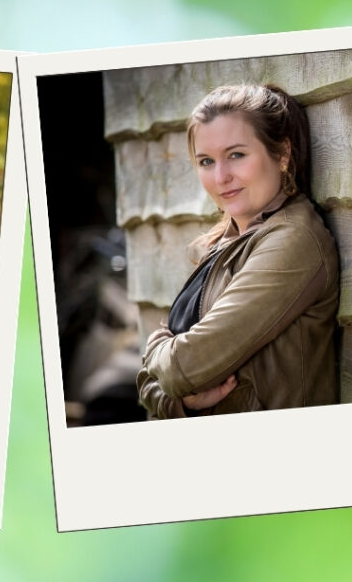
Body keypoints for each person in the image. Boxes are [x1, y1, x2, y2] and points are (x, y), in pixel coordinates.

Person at [137, 83, 339, 418]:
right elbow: (152, 382)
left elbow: (183, 366)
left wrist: (156, 344)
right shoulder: (225, 243)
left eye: (236, 155)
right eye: (206, 161)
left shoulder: (294, 241)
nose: (221, 177)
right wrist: (180, 401)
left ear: (283, 154)